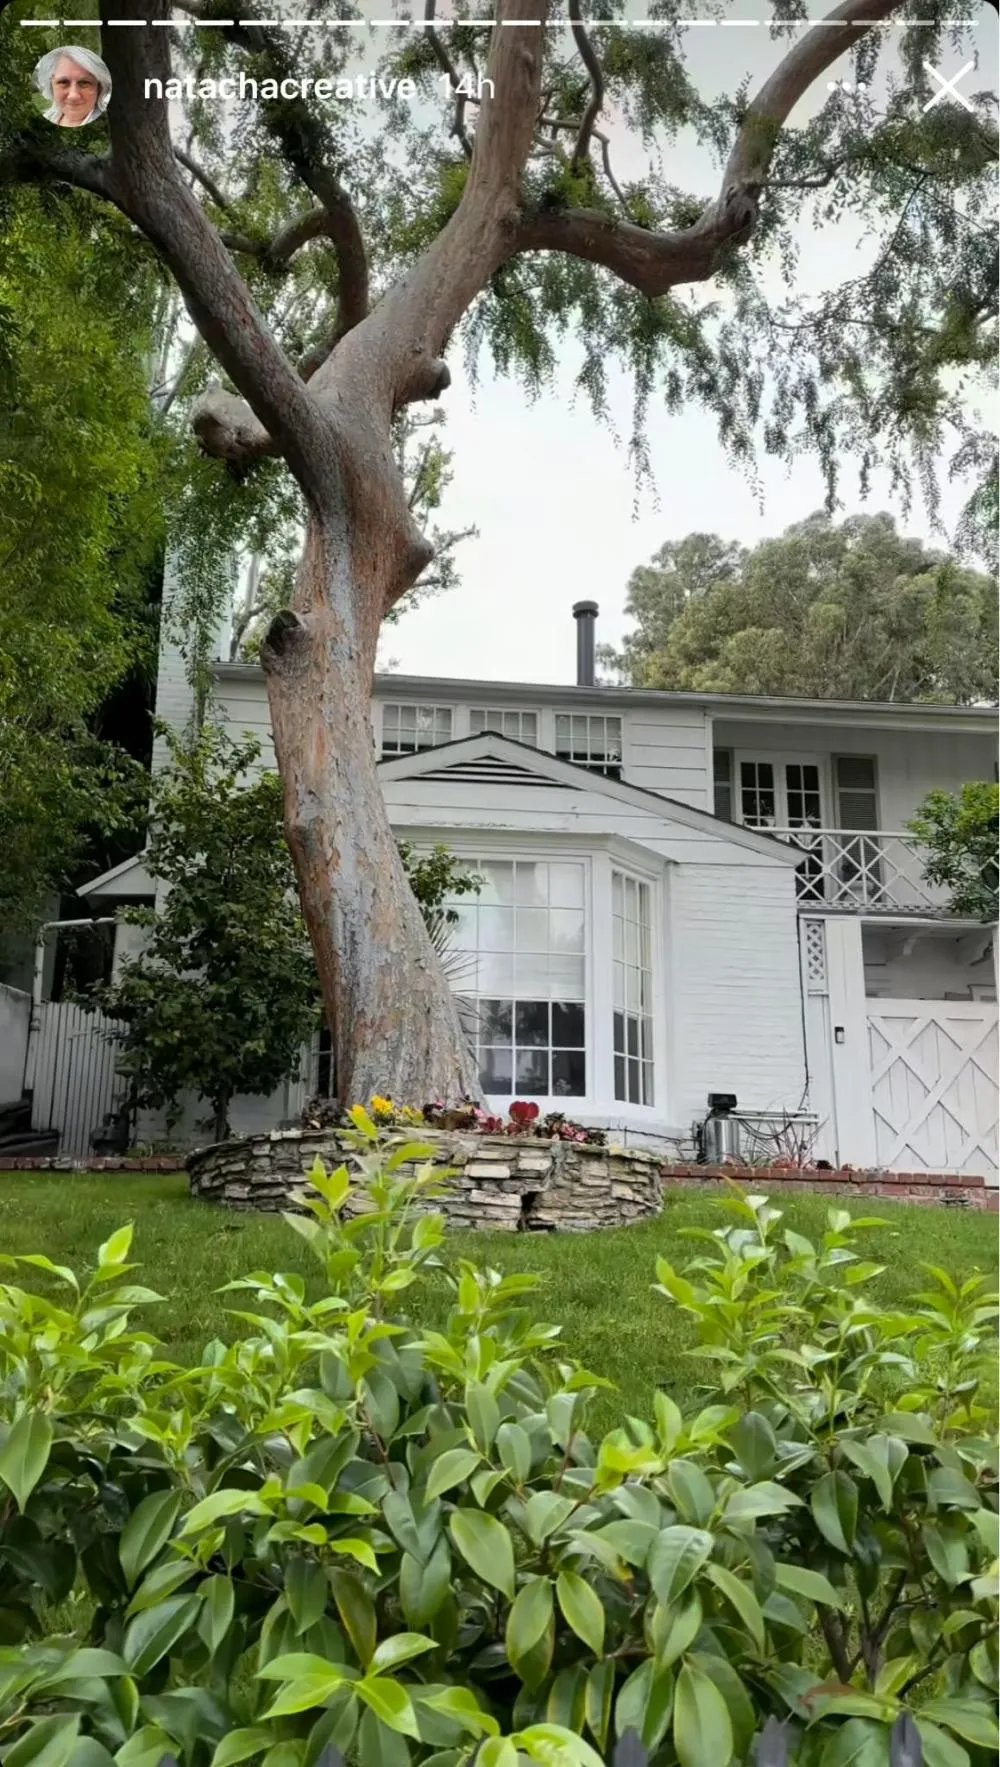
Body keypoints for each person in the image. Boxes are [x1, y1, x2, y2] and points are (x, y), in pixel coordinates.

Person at [34, 45, 112, 127]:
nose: (73, 96)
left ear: (99, 88)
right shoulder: (46, 119)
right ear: (51, 86)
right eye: (63, 82)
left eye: (85, 82)